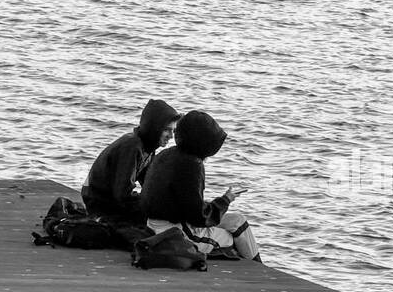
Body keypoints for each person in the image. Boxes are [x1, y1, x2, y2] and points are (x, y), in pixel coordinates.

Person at [140, 110, 261, 261]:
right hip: (173, 232)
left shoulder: (167, 154)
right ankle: (259, 268)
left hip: (159, 224)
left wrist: (222, 201)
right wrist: (225, 200)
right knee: (229, 238)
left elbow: (186, 204)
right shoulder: (191, 164)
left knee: (237, 220)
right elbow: (198, 217)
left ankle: (259, 265)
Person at [81, 98, 181, 246]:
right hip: (100, 203)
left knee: (160, 212)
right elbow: (122, 195)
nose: (171, 136)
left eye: (173, 131)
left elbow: (149, 185)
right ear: (153, 127)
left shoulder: (147, 148)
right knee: (154, 222)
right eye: (166, 130)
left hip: (109, 200)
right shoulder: (133, 147)